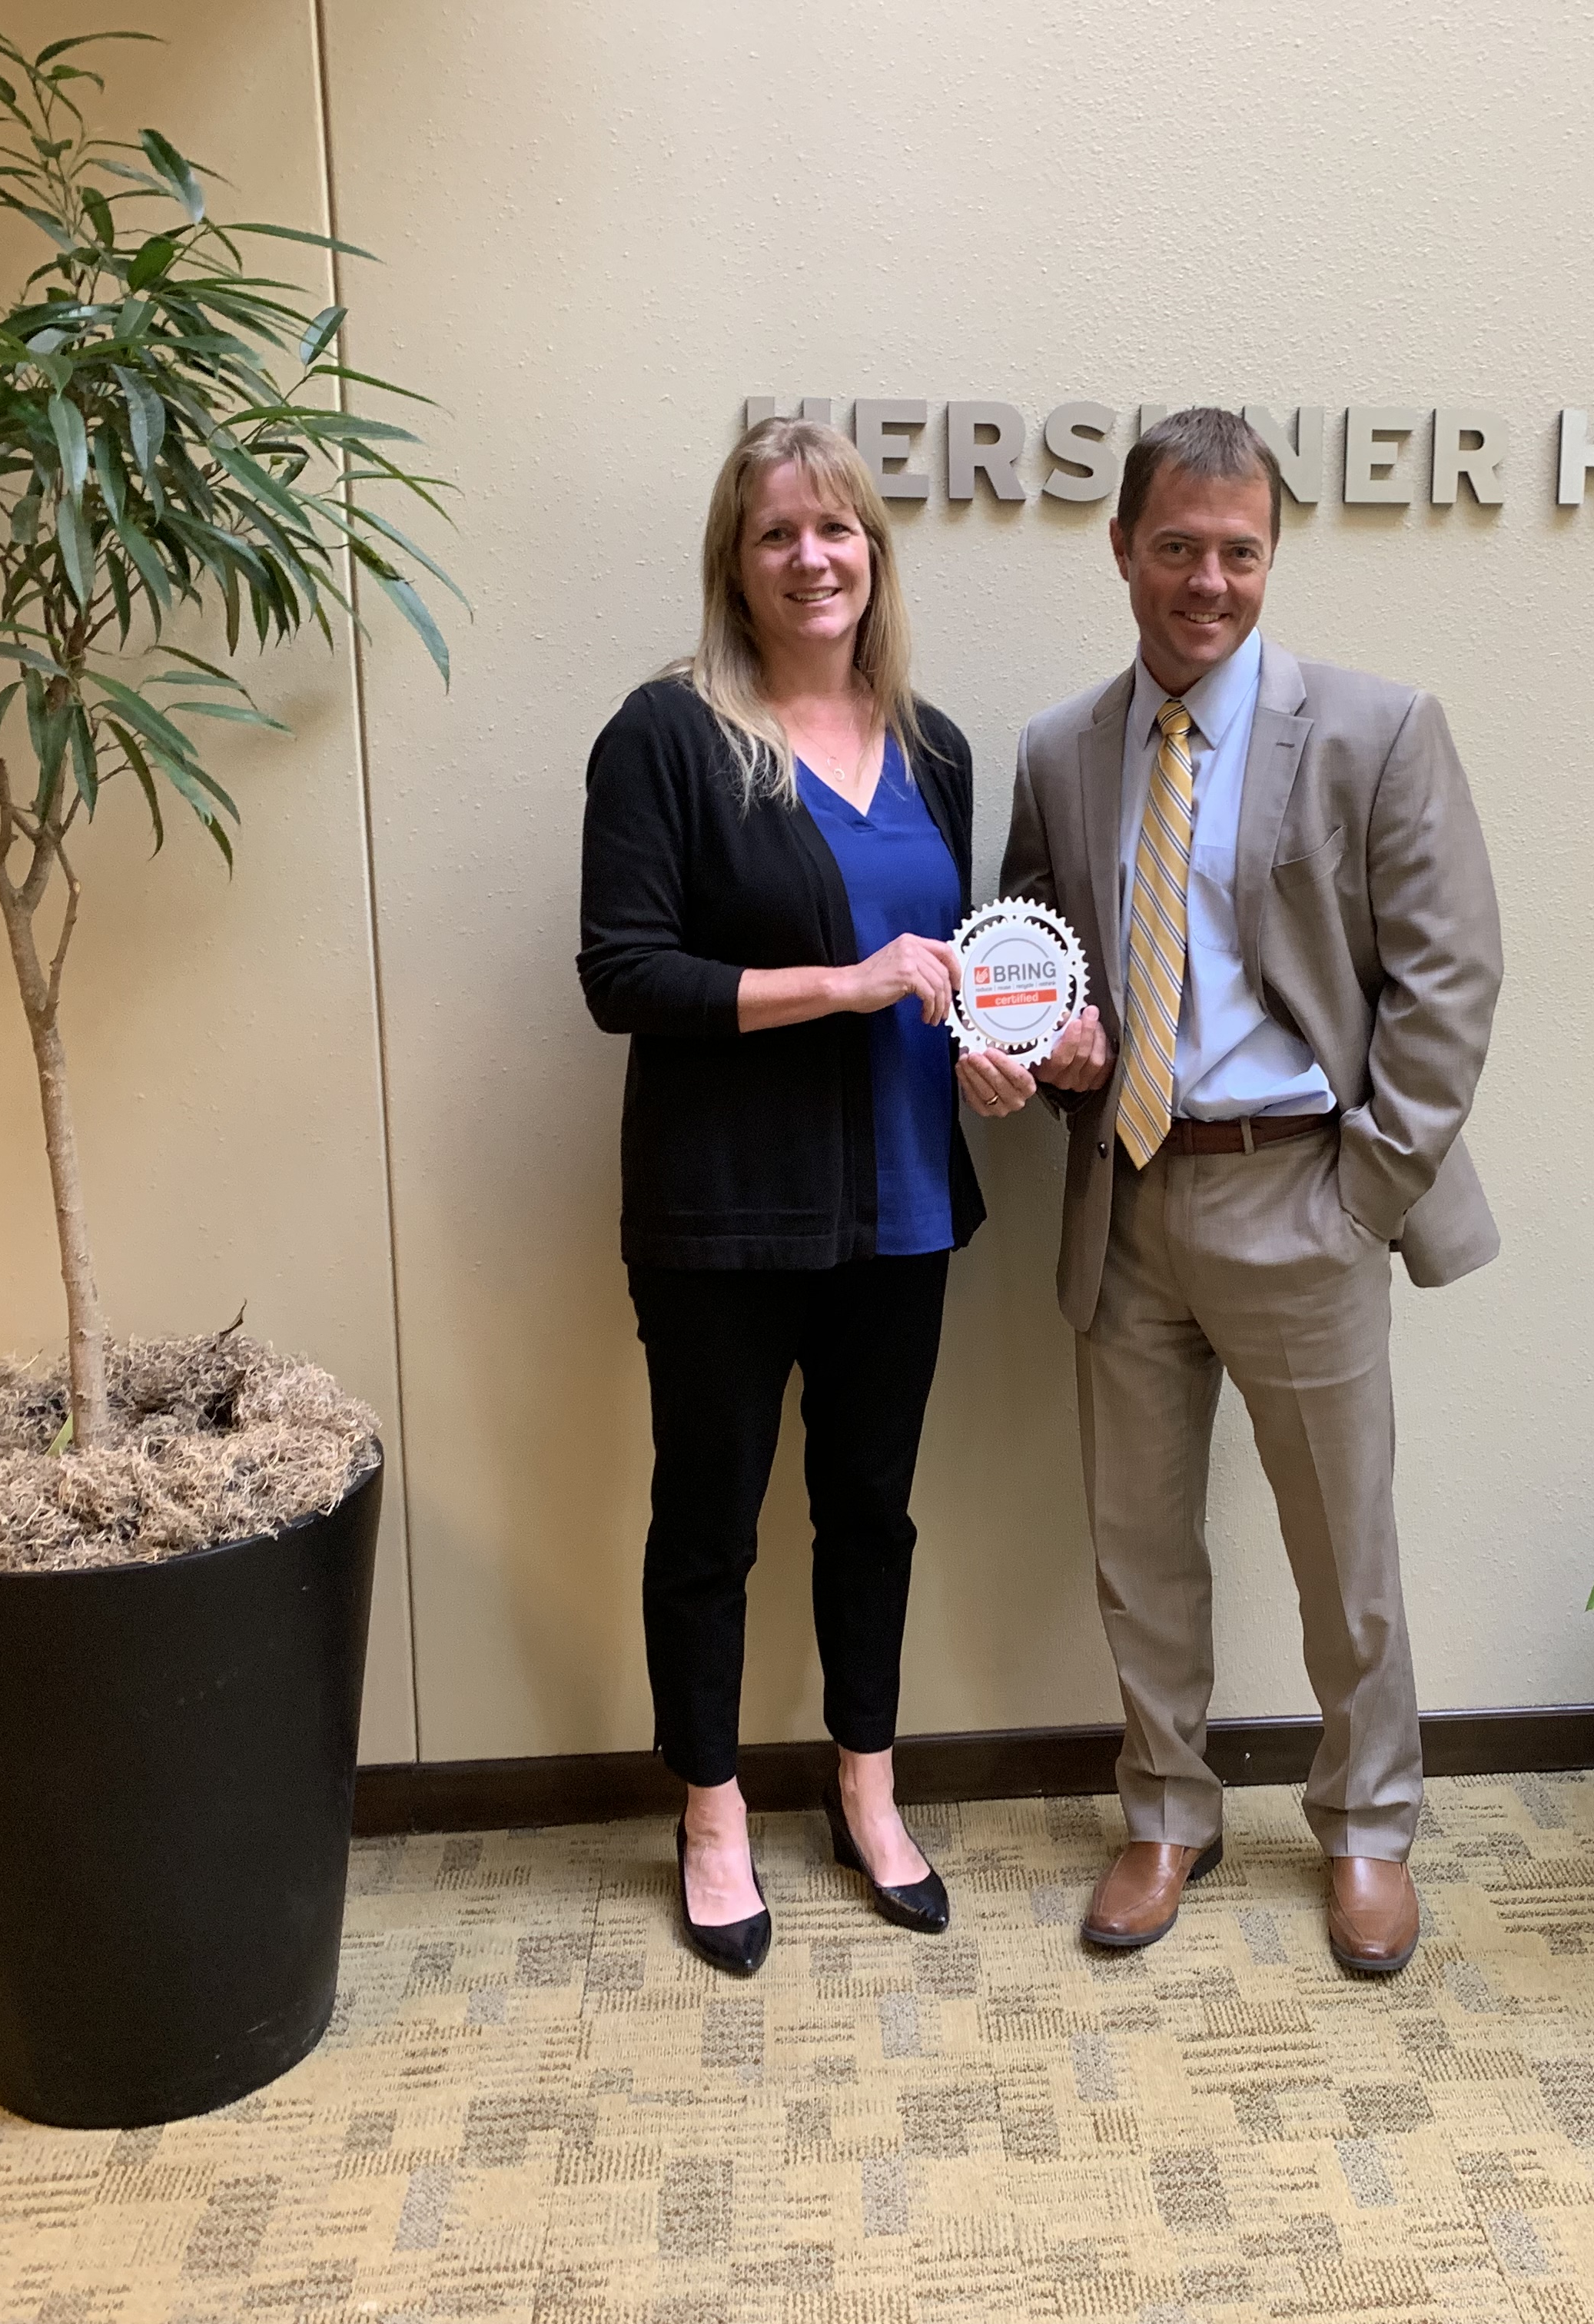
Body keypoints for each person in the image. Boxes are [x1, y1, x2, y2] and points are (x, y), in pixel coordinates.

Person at [965, 407, 1503, 1976]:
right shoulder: (1063, 750)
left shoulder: (1375, 729)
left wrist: (1364, 1193)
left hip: (1300, 1194)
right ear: (1123, 547)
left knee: (1347, 1545)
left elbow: (1449, 978)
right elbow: (1036, 951)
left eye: (1241, 551)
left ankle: (1371, 1829)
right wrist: (1037, 1049)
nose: (1210, 581)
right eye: (1180, 548)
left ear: (1272, 555)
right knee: (1137, 1539)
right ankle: (1165, 1811)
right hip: (1121, 1195)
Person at [578, 417, 1016, 1975]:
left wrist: (997, 1046)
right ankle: (710, 1817)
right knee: (708, 1525)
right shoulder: (670, 737)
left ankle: (867, 1790)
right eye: (779, 534)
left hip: (904, 1206)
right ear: (735, 564)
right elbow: (624, 977)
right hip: (723, 1216)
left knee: (871, 1516)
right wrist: (847, 982)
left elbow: (955, 972)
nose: (812, 557)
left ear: (875, 556)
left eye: (838, 530)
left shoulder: (942, 749)